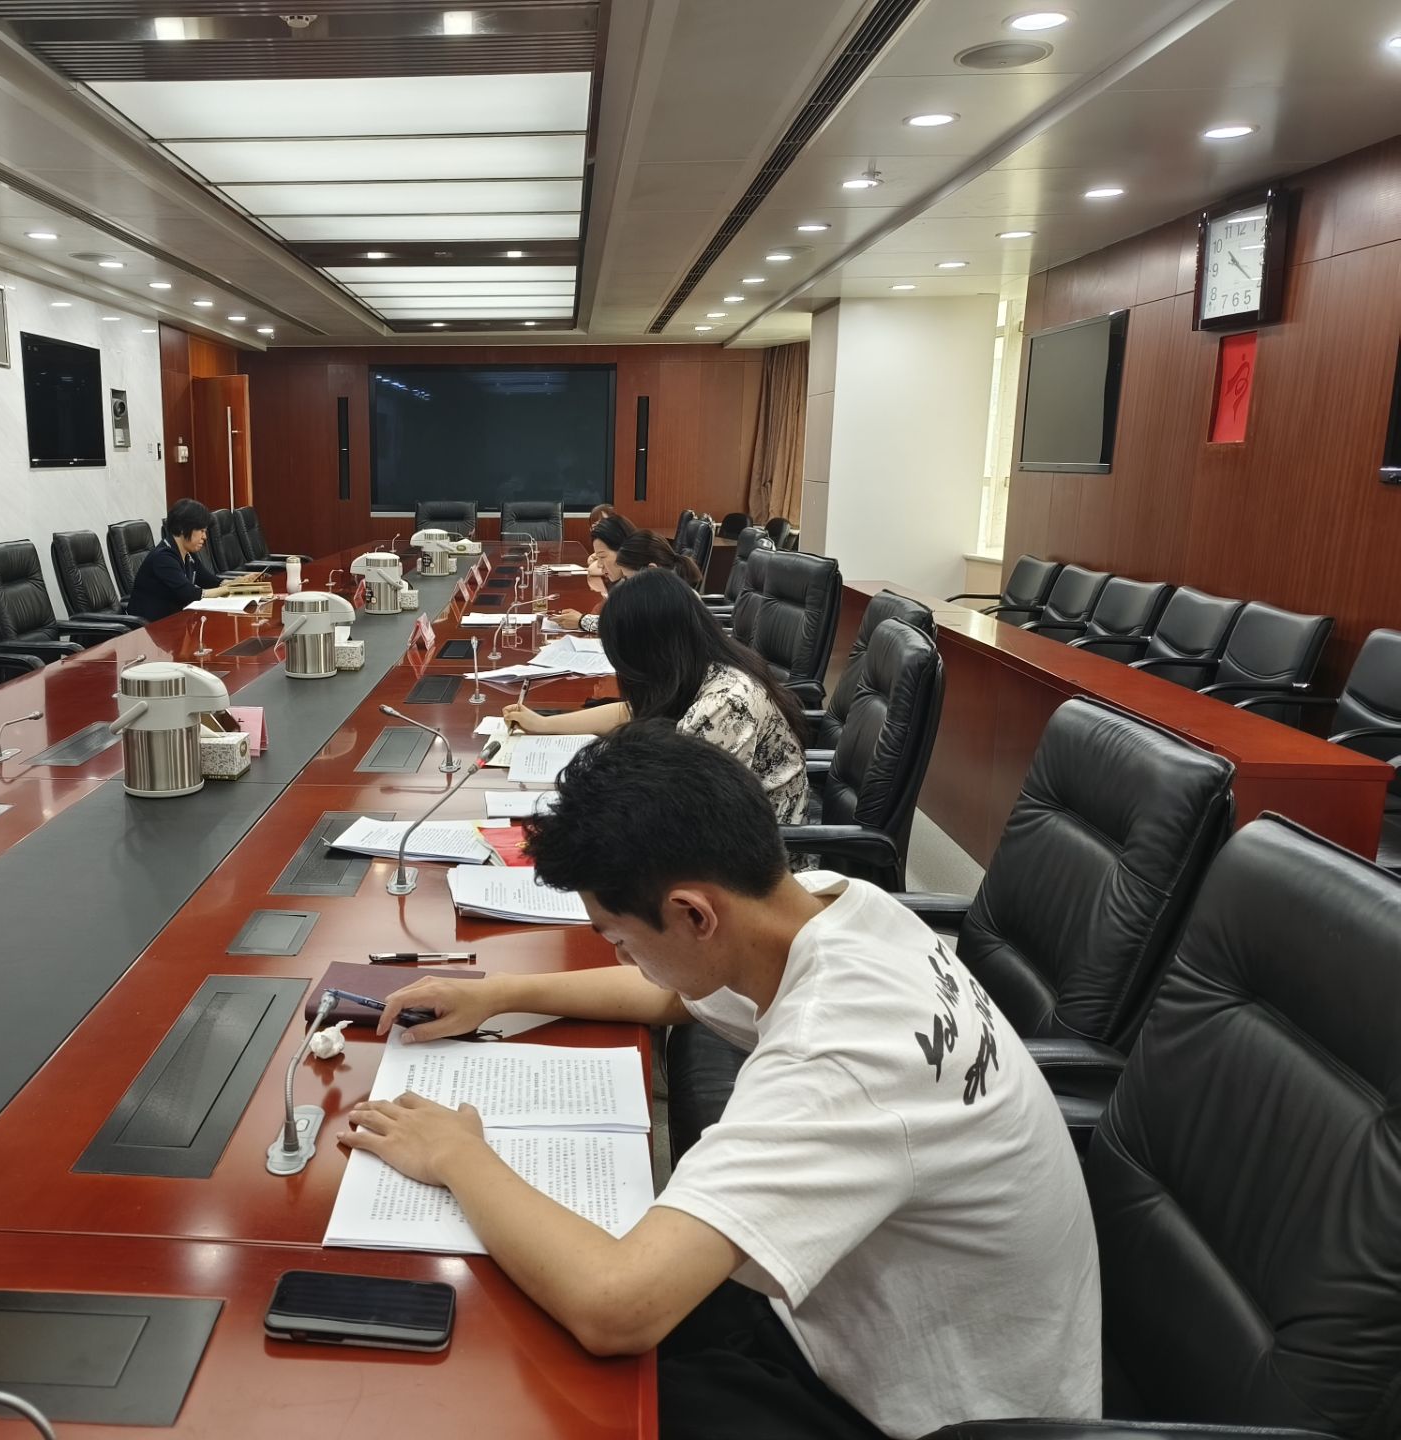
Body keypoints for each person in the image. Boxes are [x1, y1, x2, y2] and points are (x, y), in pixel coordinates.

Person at [341, 723, 1102, 1440]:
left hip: (934, 1415)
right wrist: (501, 994)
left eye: (620, 939)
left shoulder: (839, 1056)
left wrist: (456, 1153)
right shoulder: (832, 905)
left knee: (555, 1396)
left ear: (694, 915)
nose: (623, 959)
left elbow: (616, 1307)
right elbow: (676, 993)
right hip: (876, 1326)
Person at [512, 567, 808, 830]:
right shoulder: (702, 668)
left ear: (650, 650)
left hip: (759, 855)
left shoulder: (724, 704)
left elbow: (681, 814)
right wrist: (543, 724)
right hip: (720, 833)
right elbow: (633, 711)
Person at [554, 521, 698, 632]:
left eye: (628, 578)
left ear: (651, 570)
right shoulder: (662, 590)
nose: (626, 584)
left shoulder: (671, 599)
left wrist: (582, 621)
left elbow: (630, 628)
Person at [127, 498, 237, 622]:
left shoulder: (187, 553)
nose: (205, 537)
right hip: (150, 627)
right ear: (183, 529)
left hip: (173, 621)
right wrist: (230, 589)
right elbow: (190, 594)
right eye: (201, 531)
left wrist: (240, 583)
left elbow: (210, 581)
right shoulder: (163, 557)